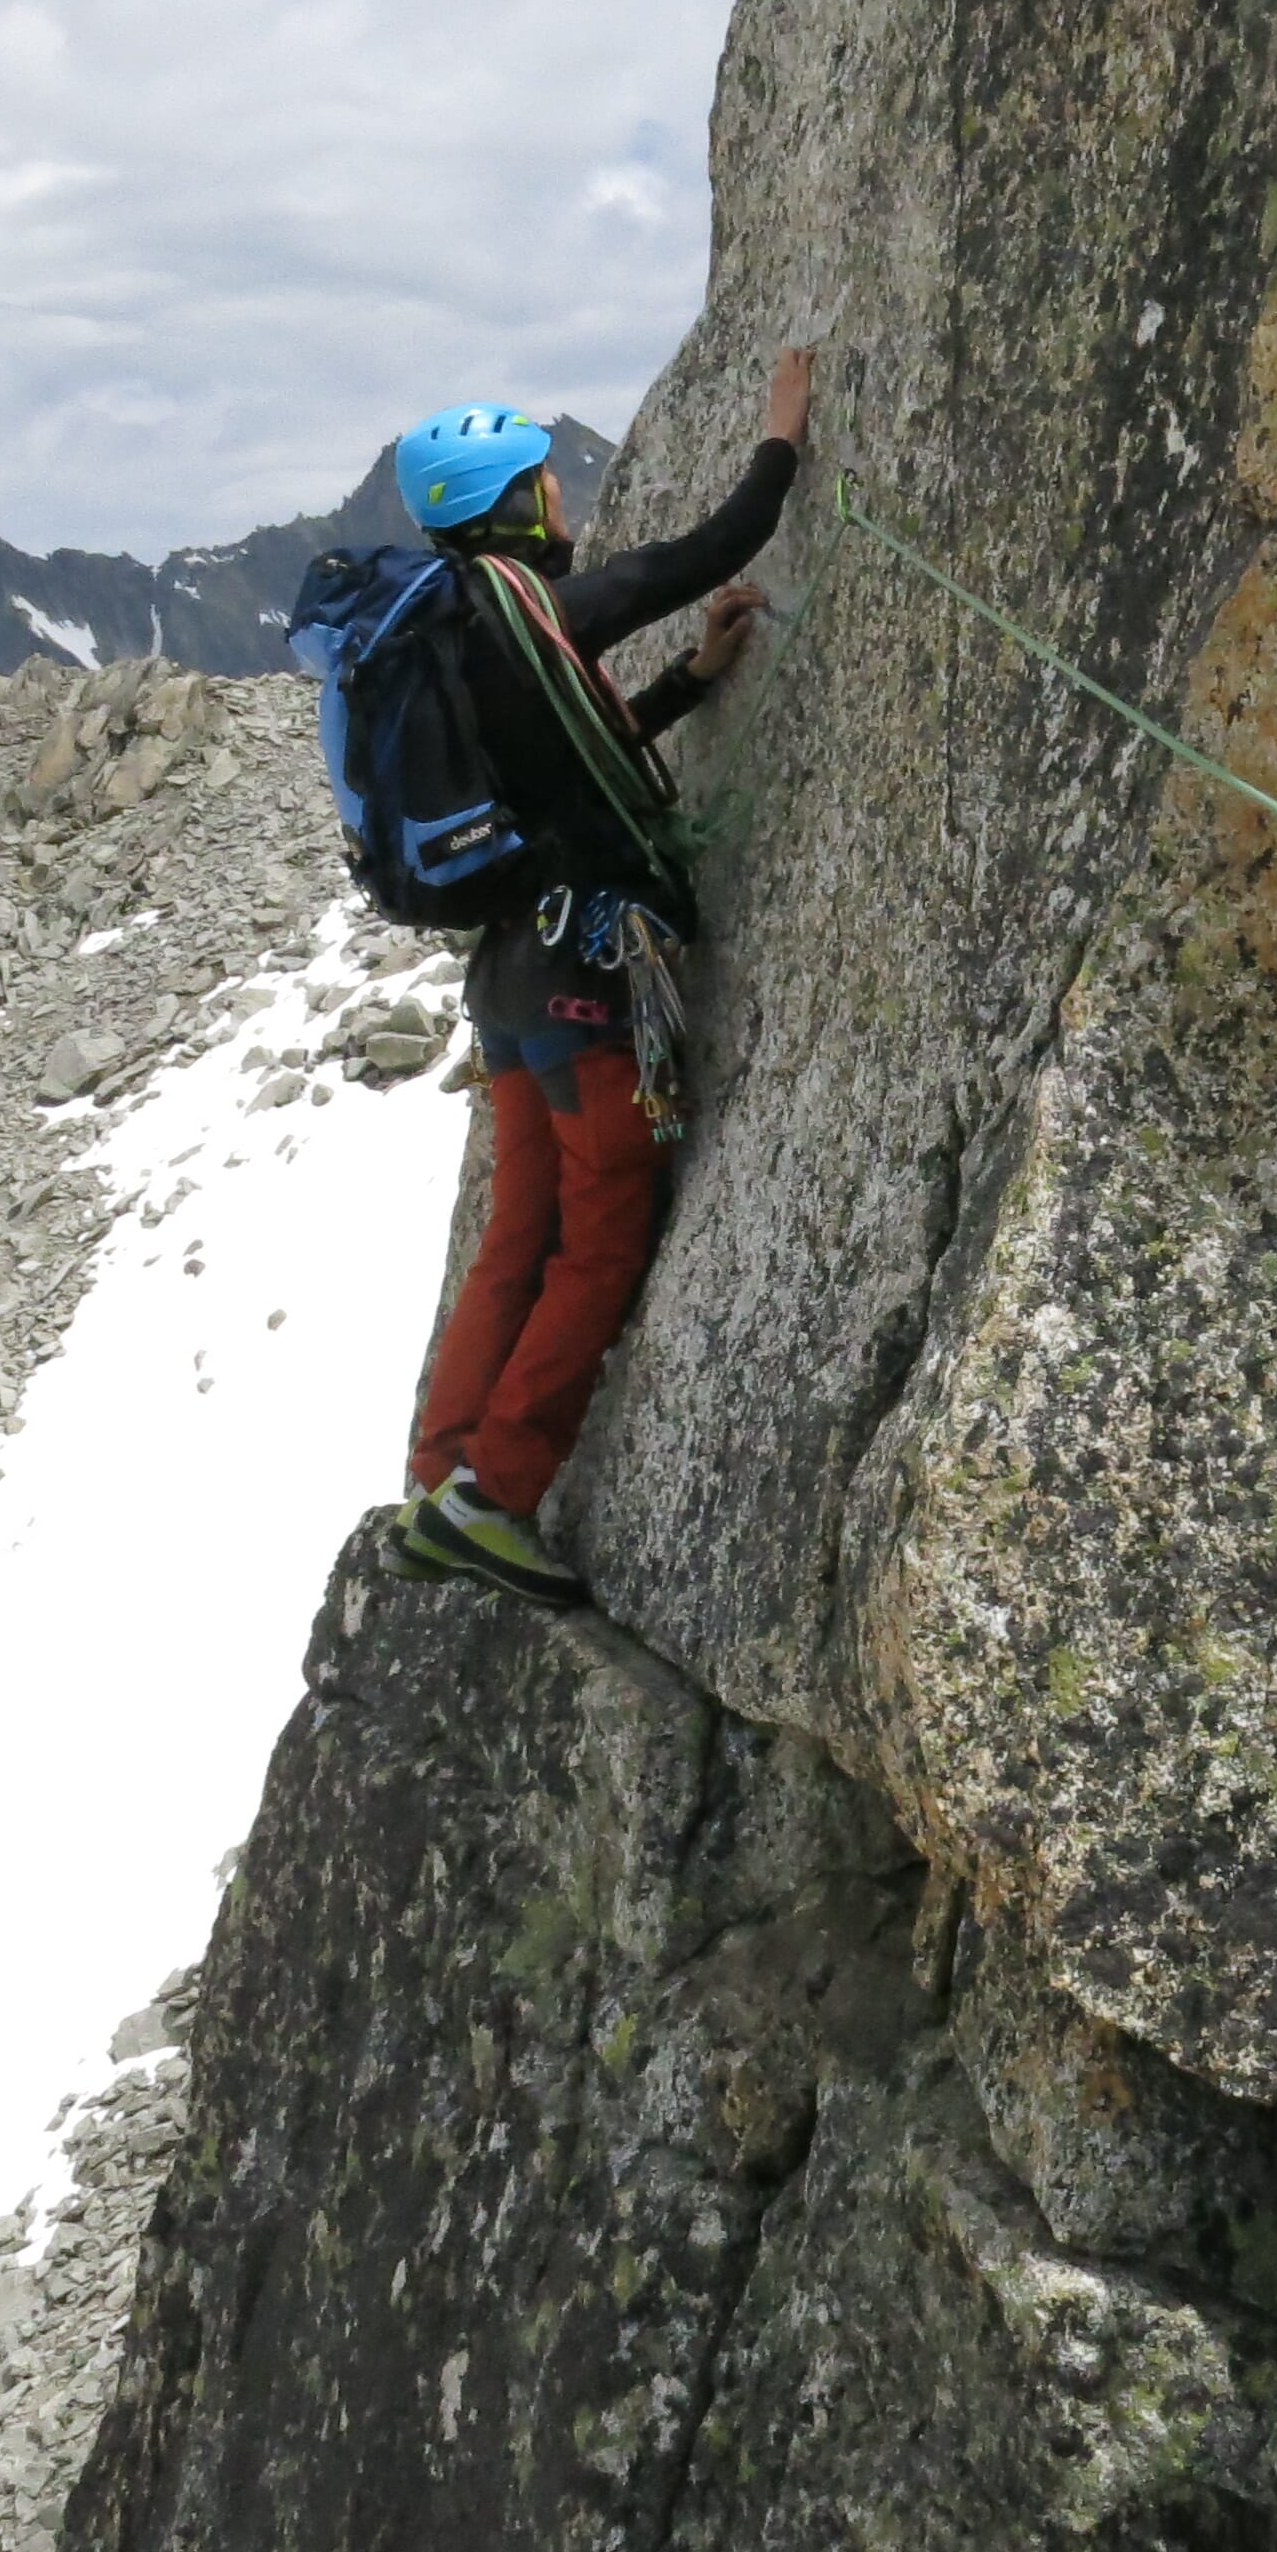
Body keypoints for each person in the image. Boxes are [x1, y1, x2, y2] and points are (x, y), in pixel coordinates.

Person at [392, 347, 815, 1608]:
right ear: (512, 504)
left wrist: (689, 680)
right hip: (581, 978)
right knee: (604, 1230)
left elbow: (561, 769)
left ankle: (438, 1477)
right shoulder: (526, 613)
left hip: (512, 981)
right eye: (546, 481)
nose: (564, 499)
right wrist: (782, 437)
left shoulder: (450, 641)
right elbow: (701, 550)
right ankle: (494, 1499)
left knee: (519, 1239)